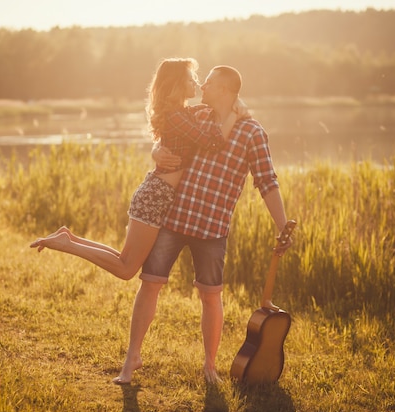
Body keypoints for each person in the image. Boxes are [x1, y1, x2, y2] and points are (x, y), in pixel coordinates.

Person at [113, 65, 291, 385]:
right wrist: (156, 152)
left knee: (210, 295)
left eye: (207, 82)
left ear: (224, 90)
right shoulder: (197, 116)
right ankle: (130, 359)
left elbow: (267, 181)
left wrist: (283, 225)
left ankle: (210, 367)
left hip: (212, 227)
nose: (202, 87)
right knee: (150, 283)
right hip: (174, 217)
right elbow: (166, 132)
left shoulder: (252, 132)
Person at [29, 58, 242, 280]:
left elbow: (199, 118)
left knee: (125, 260)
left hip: (158, 193)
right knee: (126, 269)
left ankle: (70, 238)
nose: (197, 83)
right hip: (156, 195)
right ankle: (67, 245)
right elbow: (213, 142)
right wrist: (235, 115)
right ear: (178, 83)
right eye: (191, 78)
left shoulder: (182, 112)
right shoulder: (176, 116)